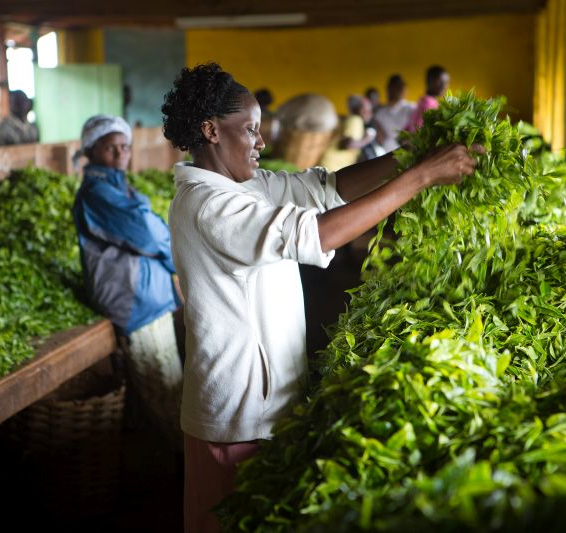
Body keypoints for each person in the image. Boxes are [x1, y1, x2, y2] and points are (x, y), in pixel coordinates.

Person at [161, 62, 483, 533]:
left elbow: (323, 189)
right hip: (238, 410)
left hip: (265, 404)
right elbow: (317, 232)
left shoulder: (247, 186)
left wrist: (411, 156)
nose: (261, 141)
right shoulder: (210, 205)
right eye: (251, 129)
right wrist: (421, 179)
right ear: (211, 131)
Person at [71, 114, 183, 451]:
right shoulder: (98, 191)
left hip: (148, 297)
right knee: (166, 390)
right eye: (111, 147)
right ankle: (184, 472)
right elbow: (147, 232)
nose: (121, 153)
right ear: (91, 151)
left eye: (125, 146)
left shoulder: (115, 184)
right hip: (136, 301)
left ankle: (176, 463)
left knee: (165, 386)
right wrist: (176, 257)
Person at [319, 94, 380, 170]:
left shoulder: (353, 120)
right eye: (367, 109)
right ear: (359, 109)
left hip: (330, 164)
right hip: (332, 167)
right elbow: (348, 144)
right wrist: (367, 139)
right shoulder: (356, 120)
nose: (370, 113)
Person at [373, 74, 415, 152]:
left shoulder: (412, 108)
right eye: (393, 87)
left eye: (399, 87)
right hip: (387, 154)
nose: (396, 91)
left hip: (408, 154)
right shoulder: (379, 114)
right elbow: (380, 138)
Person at [404, 65, 450, 133]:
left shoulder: (423, 100)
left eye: (446, 82)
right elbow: (420, 131)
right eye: (440, 81)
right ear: (429, 81)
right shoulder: (428, 103)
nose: (444, 86)